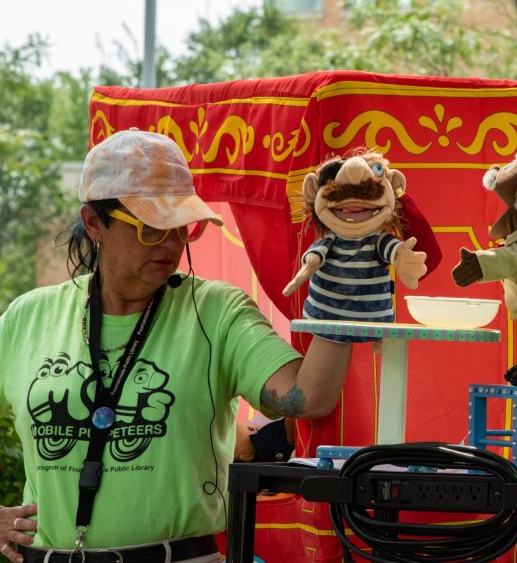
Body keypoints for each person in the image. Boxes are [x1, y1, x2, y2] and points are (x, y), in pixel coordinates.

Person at [0, 129, 352, 563]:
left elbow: (308, 396)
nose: (171, 244)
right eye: (151, 229)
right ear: (95, 223)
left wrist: (348, 283)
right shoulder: (26, 318)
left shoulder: (216, 312)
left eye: (182, 227)